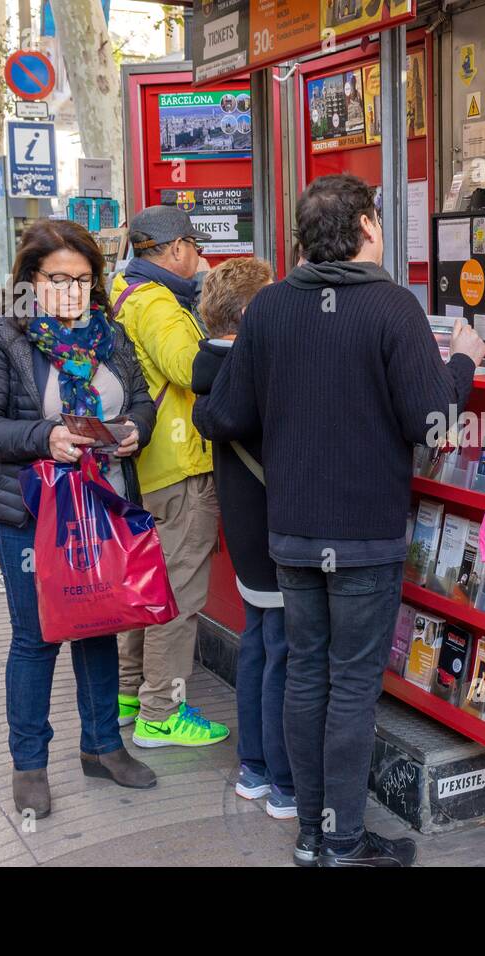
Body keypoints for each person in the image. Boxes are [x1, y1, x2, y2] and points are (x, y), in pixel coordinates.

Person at [194, 173, 485, 867]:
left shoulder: (269, 308)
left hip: (293, 531)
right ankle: (343, 842)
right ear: (366, 229)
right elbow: (431, 421)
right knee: (352, 686)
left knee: (307, 677)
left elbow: (224, 413)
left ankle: (312, 834)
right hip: (362, 535)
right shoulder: (392, 306)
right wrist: (465, 362)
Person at [0, 219, 158, 818]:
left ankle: (102, 747)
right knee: (37, 636)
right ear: (30, 279)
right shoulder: (4, 338)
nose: (72, 291)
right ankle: (30, 764)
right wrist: (45, 437)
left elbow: (141, 400)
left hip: (103, 505)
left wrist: (135, 430)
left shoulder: (111, 335)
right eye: (57, 279)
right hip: (31, 512)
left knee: (99, 625)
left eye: (83, 279)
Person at [110, 205, 230, 748]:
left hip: (146, 466)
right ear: (177, 248)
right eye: (195, 247)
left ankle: (130, 694)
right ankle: (162, 712)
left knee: (147, 588)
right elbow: (190, 369)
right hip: (178, 469)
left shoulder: (124, 291)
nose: (199, 257)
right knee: (178, 596)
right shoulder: (158, 303)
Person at [189, 257, 297, 820]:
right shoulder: (257, 372)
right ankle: (284, 783)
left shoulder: (212, 369)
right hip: (275, 529)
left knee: (257, 642)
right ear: (254, 312)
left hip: (245, 528)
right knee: (283, 652)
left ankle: (253, 768)